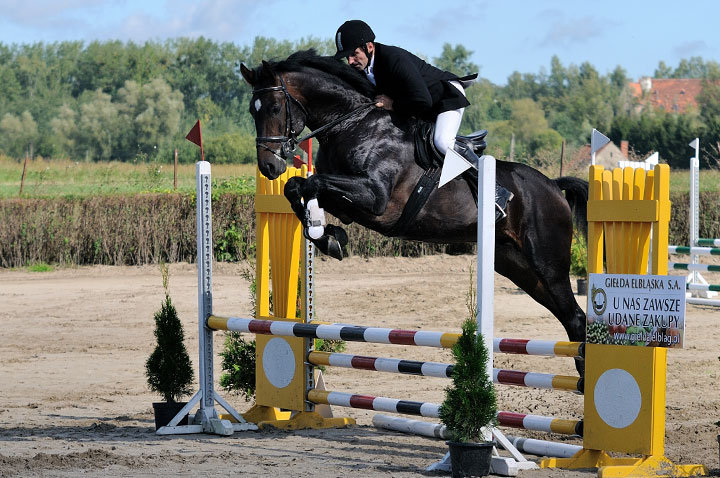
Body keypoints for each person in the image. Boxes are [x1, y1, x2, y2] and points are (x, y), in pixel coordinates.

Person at [334, 19, 512, 217]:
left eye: (353, 54)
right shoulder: (364, 67)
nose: (350, 61)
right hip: (420, 106)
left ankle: (496, 191)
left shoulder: (393, 59)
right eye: (347, 57)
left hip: (444, 97)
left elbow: (423, 100)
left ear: (368, 47)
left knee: (442, 141)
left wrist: (393, 104)